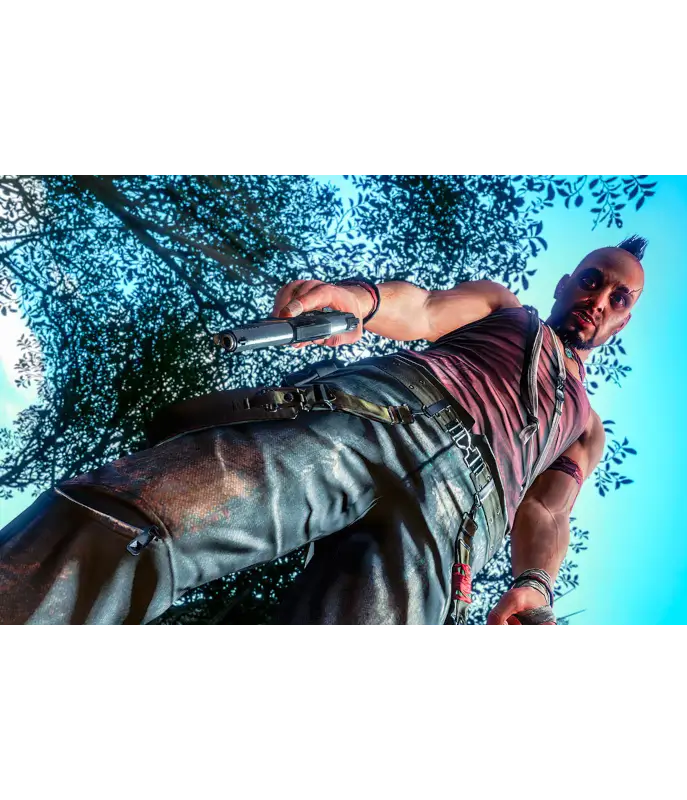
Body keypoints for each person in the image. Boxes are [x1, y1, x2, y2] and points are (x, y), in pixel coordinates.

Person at [0, 235, 646, 631]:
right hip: (374, 418)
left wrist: (535, 584)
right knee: (135, 522)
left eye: (619, 299)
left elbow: (547, 510)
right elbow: (423, 310)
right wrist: (357, 299)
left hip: (458, 527)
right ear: (566, 283)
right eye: (593, 280)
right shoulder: (505, 309)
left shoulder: (585, 429)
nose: (599, 299)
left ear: (623, 322)